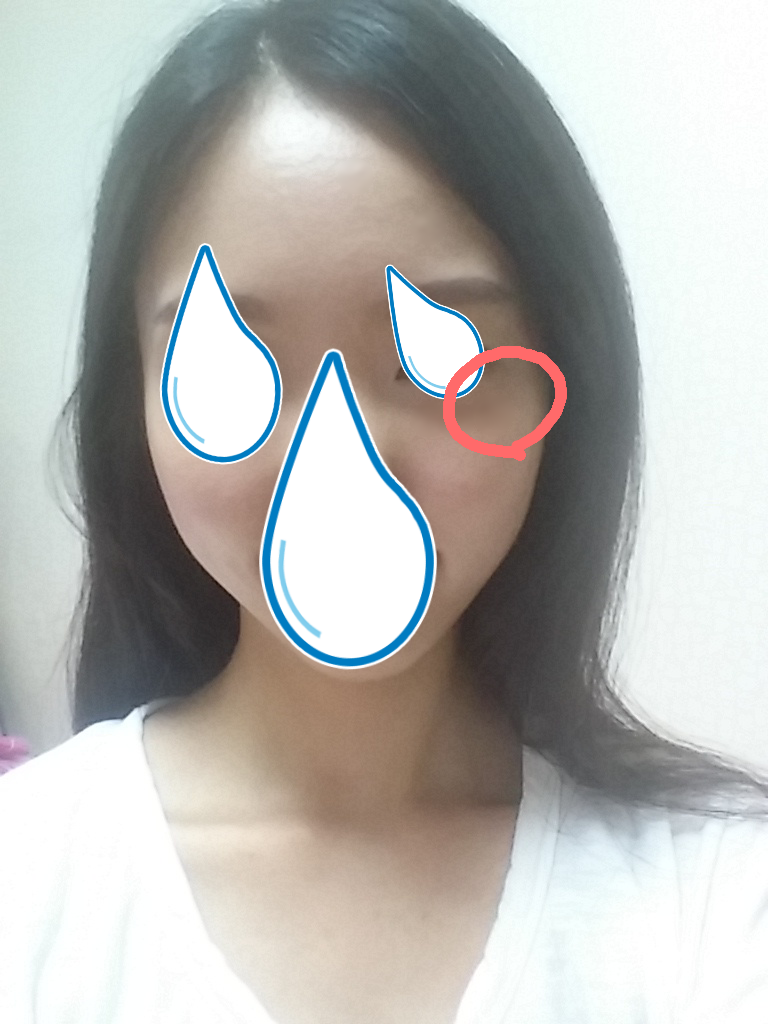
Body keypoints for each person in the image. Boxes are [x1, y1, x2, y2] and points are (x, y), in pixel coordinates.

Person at [1, 1, 767, 1021]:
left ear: (561, 391)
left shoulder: (714, 901)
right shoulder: (27, 879)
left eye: (434, 357)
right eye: (228, 366)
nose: (340, 459)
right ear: (132, 403)